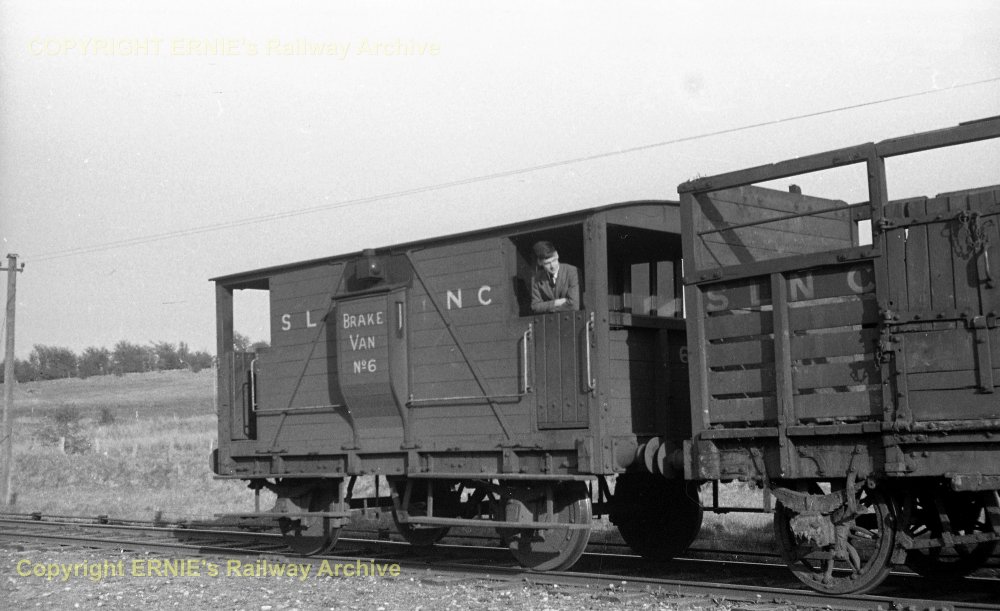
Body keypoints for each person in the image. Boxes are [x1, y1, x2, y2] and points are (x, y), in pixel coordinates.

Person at [530, 241, 580, 313]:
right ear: (540, 262)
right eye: (547, 263)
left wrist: (546, 307)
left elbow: (574, 305)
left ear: (557, 254)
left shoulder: (572, 271)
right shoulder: (536, 278)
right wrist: (556, 302)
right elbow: (535, 307)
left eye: (554, 260)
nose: (552, 266)